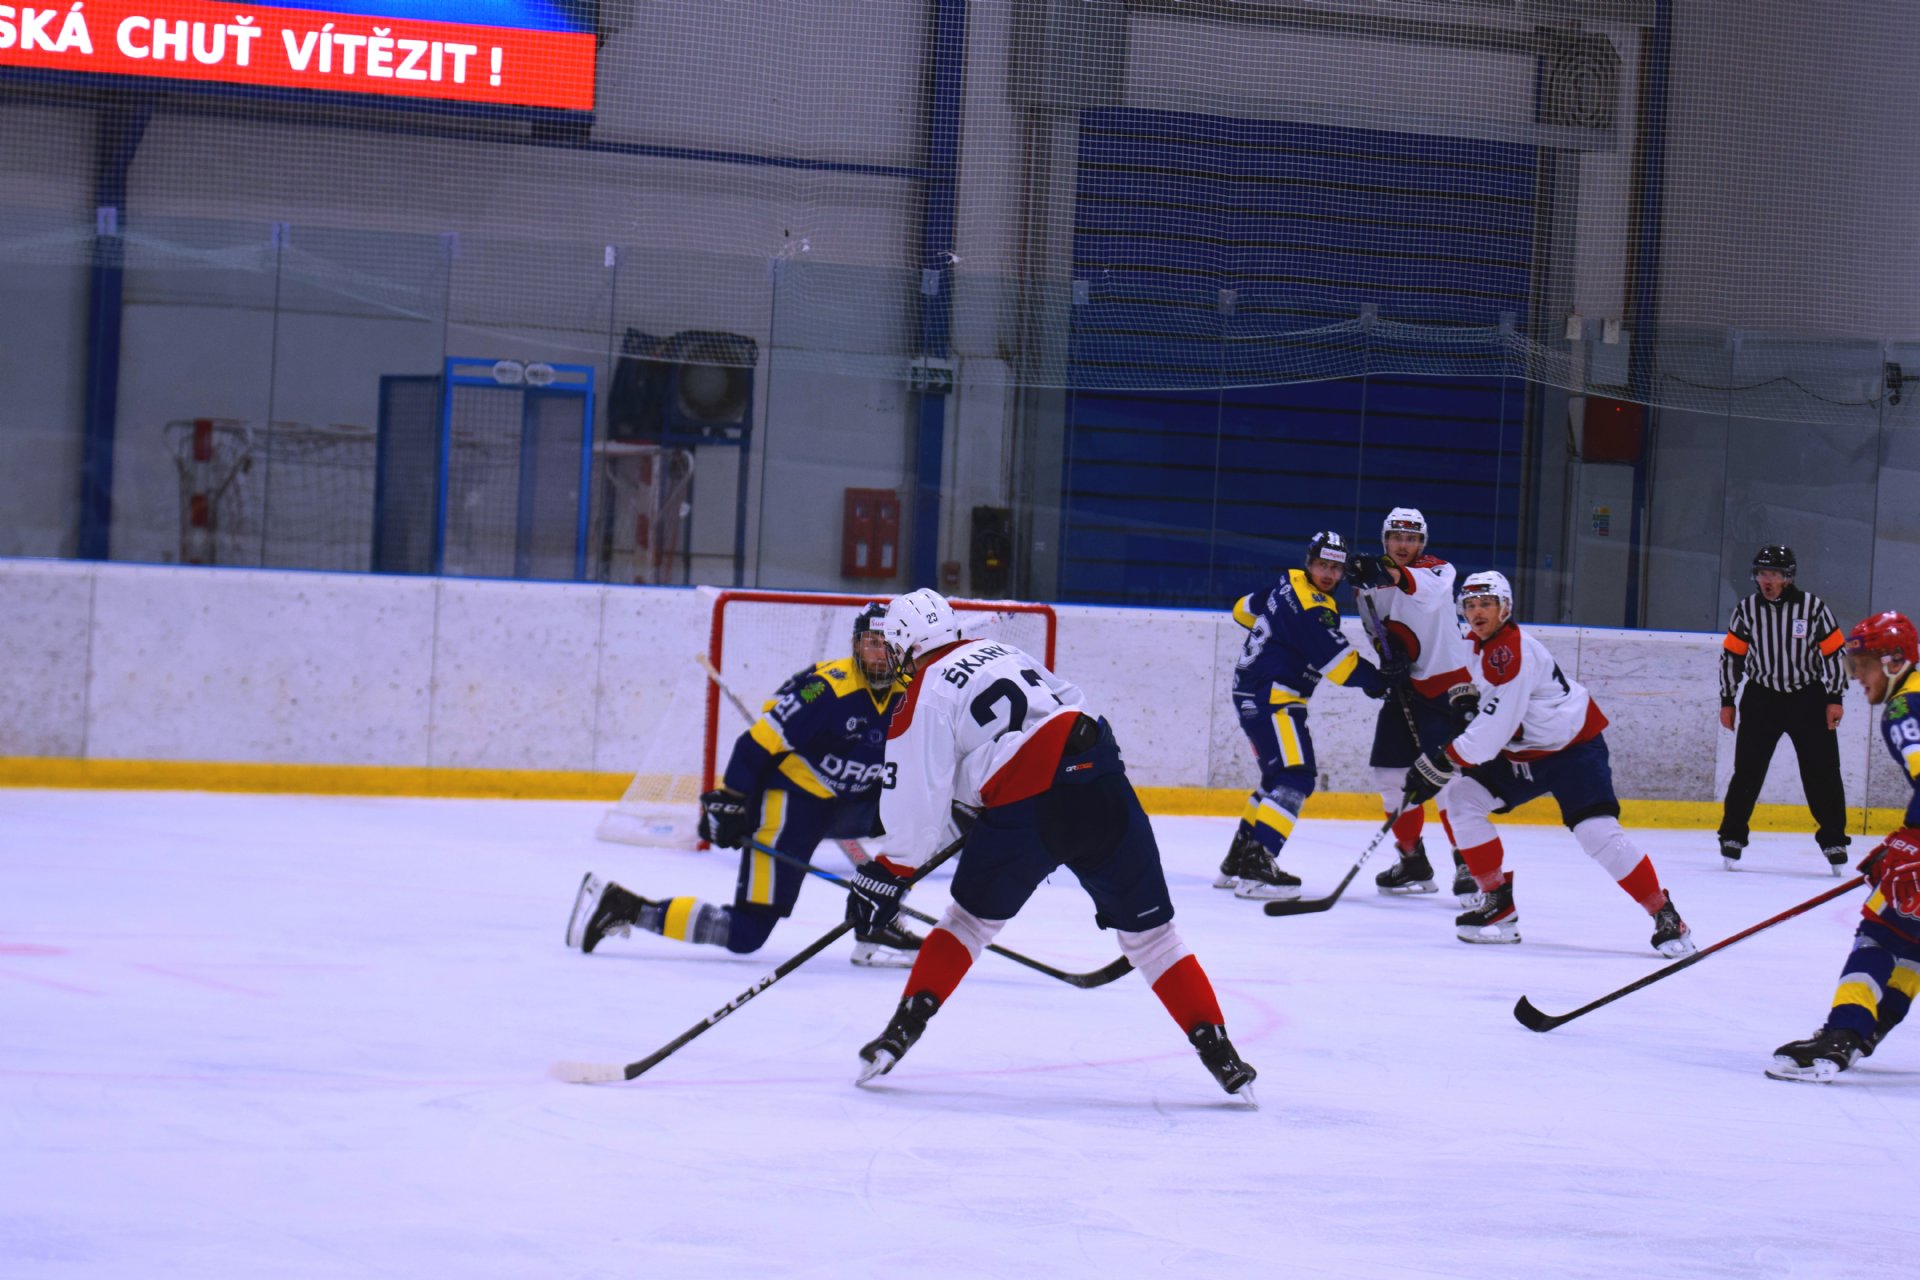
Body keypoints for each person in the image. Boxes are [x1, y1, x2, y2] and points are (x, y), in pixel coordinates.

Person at [846, 588, 1258, 1102]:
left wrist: (889, 872)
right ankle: (1223, 1056)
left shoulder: (922, 693)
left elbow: (916, 807)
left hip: (1030, 804)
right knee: (1154, 939)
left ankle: (899, 1034)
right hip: (1100, 777)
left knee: (968, 923)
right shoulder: (1001, 651)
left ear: (907, 644)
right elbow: (1070, 703)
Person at [565, 604, 921, 967]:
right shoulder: (826, 689)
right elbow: (754, 745)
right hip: (794, 805)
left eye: (889, 644)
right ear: (856, 645)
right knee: (748, 933)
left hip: (853, 801)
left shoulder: (912, 689)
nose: (881, 654)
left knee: (932, 822)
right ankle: (625, 908)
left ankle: (876, 921)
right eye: (872, 643)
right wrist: (731, 800)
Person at [1404, 571, 1695, 957]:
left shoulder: (1512, 653)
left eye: (1486, 604)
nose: (1477, 612)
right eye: (1470, 605)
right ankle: (1497, 901)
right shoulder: (1473, 642)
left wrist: (1439, 764)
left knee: (1596, 833)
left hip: (1572, 750)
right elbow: (1465, 679)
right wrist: (1461, 698)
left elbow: (1489, 735)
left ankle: (1665, 913)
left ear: (1505, 608)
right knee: (1461, 799)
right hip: (1521, 752)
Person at [1768, 610, 1920, 1082]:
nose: (1856, 677)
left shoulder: (1905, 710)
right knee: (1912, 938)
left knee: (1880, 932)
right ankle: (1870, 1026)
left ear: (1894, 661)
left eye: (1864, 665)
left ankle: (1845, 1033)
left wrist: (1911, 844)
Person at [1216, 530, 1391, 900]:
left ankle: (1237, 861)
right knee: (1296, 777)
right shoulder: (1315, 609)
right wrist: (1380, 681)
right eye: (1322, 565)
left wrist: (1280, 634)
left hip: (1250, 691)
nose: (1328, 574)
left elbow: (1242, 610)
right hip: (1274, 698)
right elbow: (1341, 667)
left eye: (1335, 568)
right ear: (1309, 563)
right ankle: (1258, 866)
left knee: (1275, 778)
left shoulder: (1287, 583)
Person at [1346, 507, 1480, 901]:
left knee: (1450, 780)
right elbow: (1376, 629)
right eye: (1396, 537)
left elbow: (1424, 593)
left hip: (1448, 690)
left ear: (1422, 543)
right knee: (1389, 777)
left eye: (1412, 538)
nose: (1404, 545)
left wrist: (1382, 572)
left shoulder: (1438, 570)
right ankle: (1412, 861)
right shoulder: (1367, 587)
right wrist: (1387, 661)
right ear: (1385, 540)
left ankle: (1468, 863)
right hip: (1406, 689)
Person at [1717, 545, 1851, 873]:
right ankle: (1732, 835)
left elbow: (1835, 654)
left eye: (1774, 574)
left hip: (1808, 698)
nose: (1767, 580)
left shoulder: (1813, 608)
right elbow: (1732, 657)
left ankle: (1833, 838)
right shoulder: (1747, 609)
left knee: (1822, 771)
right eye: (1762, 573)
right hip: (1761, 697)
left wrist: (1835, 697)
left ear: (1788, 577)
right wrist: (1727, 700)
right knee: (1747, 771)